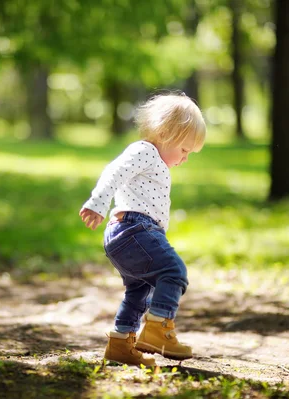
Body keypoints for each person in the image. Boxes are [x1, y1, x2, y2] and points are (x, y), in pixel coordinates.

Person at [79, 93, 206, 367]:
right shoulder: (144, 151)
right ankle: (157, 327)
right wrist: (98, 203)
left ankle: (121, 343)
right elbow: (114, 172)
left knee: (138, 291)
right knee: (174, 271)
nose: (185, 159)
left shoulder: (155, 161)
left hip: (135, 233)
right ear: (165, 133)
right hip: (133, 229)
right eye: (184, 150)